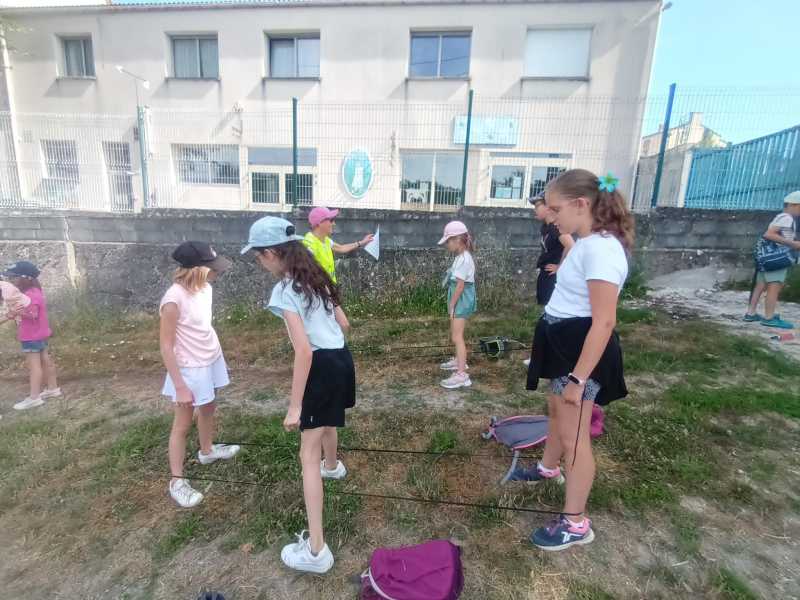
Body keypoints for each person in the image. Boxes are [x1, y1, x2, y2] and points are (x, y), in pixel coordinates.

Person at [518, 169, 632, 551]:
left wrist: (579, 380)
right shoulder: (587, 242)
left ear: (581, 204)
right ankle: (548, 468)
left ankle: (576, 523)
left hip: (579, 355)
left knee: (575, 437)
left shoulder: (602, 250)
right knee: (556, 413)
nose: (551, 217)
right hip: (563, 343)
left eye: (556, 209)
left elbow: (604, 321)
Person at [242, 216, 355, 574]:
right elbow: (345, 323)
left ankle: (317, 551)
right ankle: (332, 466)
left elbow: (303, 352)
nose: (259, 262)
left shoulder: (285, 290)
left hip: (320, 364)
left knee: (307, 455)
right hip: (341, 358)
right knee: (327, 421)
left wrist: (295, 406)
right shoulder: (317, 275)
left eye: (259, 256)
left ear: (272, 253)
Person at [160, 242, 240, 509]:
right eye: (212, 268)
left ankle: (207, 450)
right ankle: (177, 482)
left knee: (208, 408)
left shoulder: (206, 289)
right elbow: (166, 346)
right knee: (182, 426)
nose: (218, 272)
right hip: (189, 369)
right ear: (196, 269)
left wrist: (214, 356)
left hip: (210, 359)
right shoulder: (173, 300)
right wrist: (180, 386)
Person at [1, 261, 61, 411]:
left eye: (14, 277)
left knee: (34, 366)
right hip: (40, 333)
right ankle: (52, 388)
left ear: (26, 278)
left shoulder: (28, 295)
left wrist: (15, 313)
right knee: (45, 360)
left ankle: (34, 398)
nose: (11, 280)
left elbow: (32, 314)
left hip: (31, 335)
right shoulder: (36, 291)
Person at [743, 191, 800, 329]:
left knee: (760, 285)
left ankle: (750, 313)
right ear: (793, 205)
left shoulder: (780, 217)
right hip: (777, 259)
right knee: (774, 287)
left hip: (767, 258)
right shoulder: (787, 218)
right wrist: (793, 244)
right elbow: (769, 234)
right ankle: (769, 318)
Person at [438, 221, 477, 390]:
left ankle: (462, 374)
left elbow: (460, 286)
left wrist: (452, 305)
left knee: (457, 337)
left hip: (460, 300)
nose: (447, 244)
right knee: (455, 334)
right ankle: (458, 360)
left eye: (448, 241)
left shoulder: (464, 260)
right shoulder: (460, 257)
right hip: (458, 298)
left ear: (458, 240)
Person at [303, 207, 375, 283]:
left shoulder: (325, 239)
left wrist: (362, 242)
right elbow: (307, 275)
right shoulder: (309, 244)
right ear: (320, 223)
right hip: (320, 289)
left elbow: (341, 248)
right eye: (331, 220)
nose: (334, 223)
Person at [531, 193, 575, 306]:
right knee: (543, 303)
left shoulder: (557, 227)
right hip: (545, 272)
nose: (535, 210)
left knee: (549, 305)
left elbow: (571, 245)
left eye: (537, 206)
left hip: (553, 275)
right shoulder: (546, 227)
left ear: (548, 207)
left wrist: (559, 266)